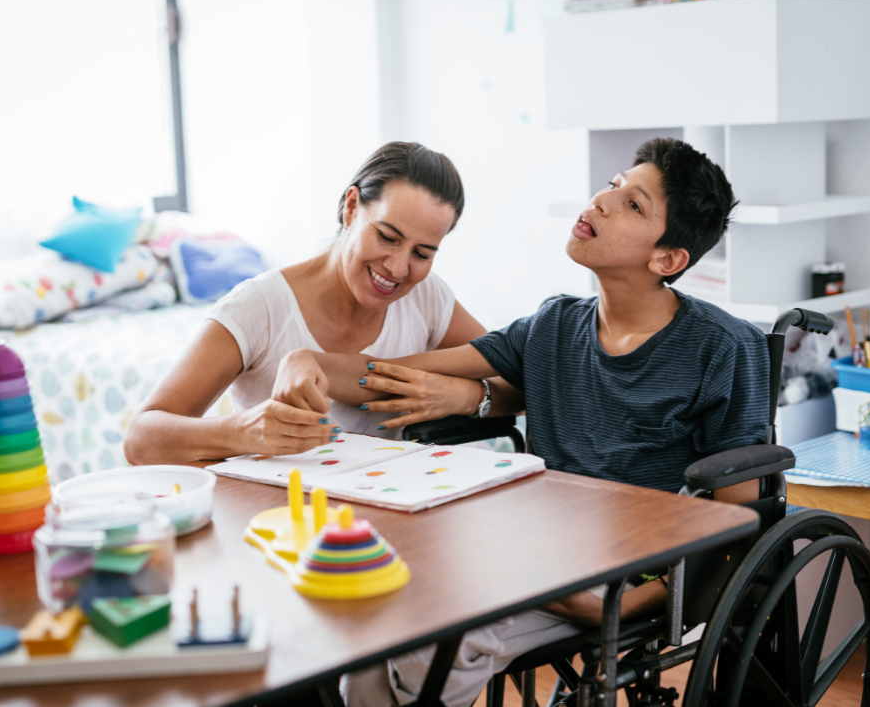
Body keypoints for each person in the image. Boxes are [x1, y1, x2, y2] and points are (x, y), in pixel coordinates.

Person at [273, 137, 770, 707]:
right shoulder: (553, 326)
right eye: (612, 185)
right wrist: (304, 361)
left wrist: (632, 602)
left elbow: (737, 515)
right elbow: (388, 373)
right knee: (381, 616)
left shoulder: (725, 348)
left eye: (633, 205)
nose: (602, 202)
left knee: (433, 639)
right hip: (539, 552)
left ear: (667, 259)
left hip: (635, 575)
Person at [123, 142, 520, 467]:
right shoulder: (260, 307)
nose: (398, 268)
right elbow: (141, 438)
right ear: (351, 208)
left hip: (395, 508)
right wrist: (246, 430)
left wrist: (462, 397)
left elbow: (519, 383)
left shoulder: (427, 295)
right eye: (386, 236)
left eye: (423, 252)